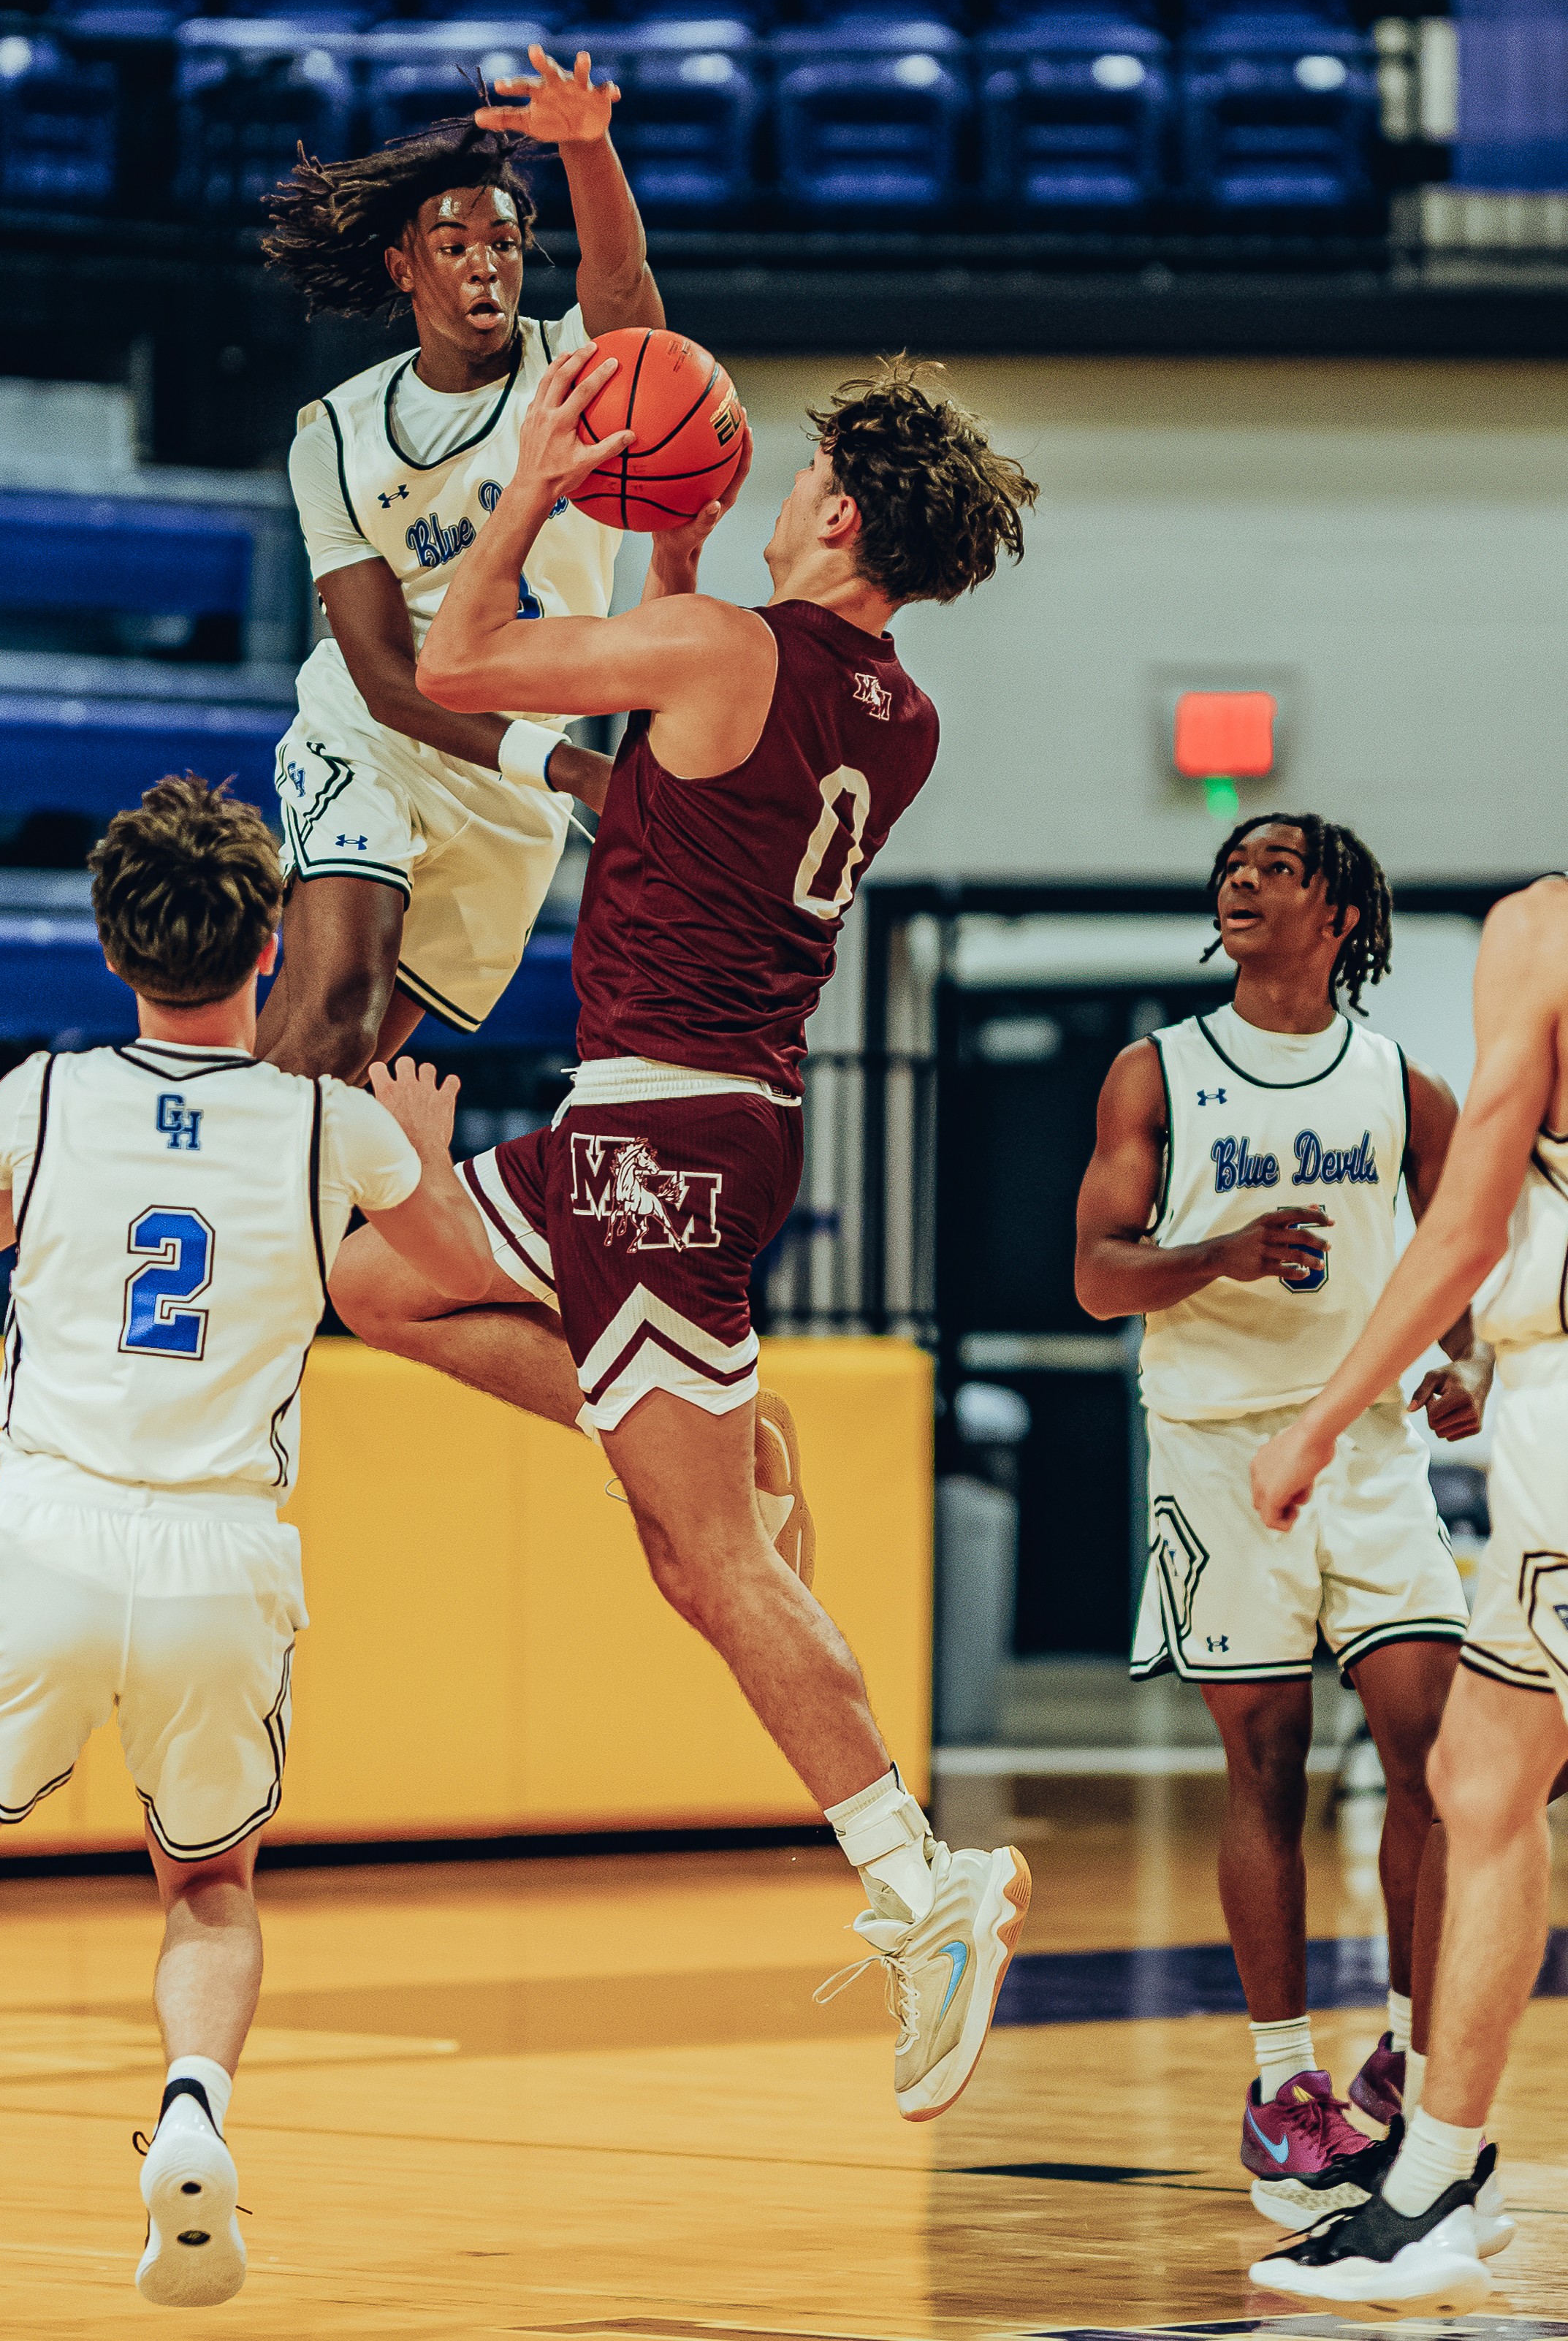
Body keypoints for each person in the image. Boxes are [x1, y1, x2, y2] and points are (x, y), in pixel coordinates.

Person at [335, 350, 1041, 2122]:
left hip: (653, 1137)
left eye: (802, 475)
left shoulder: (731, 652)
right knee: (372, 1270)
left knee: (710, 1563)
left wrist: (540, 491)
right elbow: (688, 757)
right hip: (691, 1124)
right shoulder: (893, 712)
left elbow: (458, 660)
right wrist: (673, 552)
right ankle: (672, 1426)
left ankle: (915, 1883)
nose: (784, 489)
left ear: (839, 509)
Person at [0, 776, 482, 2323]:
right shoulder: (330, 1122)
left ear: (115, 946)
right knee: (209, 1884)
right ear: (266, 946)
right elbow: (441, 1275)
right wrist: (419, 1150)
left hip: (46, 1528)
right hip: (217, 1552)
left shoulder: (41, 1095)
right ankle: (188, 2118)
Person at [1073, 815, 1489, 2231]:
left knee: (1432, 1753)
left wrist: (1459, 1369)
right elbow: (1093, 1274)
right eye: (1230, 868)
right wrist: (1218, 1256)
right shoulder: (1159, 1072)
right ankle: (1278, 2086)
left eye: (1275, 869)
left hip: (1365, 1451)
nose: (1239, 883)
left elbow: (1464, 1274)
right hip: (1209, 1454)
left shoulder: (1399, 1088)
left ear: (1341, 918)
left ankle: (1410, 2058)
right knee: (1265, 1765)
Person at [1247, 874, 1568, 2313]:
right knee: (1481, 1768)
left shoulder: (1538, 931)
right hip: (1535, 1398)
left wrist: (1318, 1421)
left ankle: (1437, 2176)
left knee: (1481, 1778)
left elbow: (1463, 1229)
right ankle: (1439, 2169)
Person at [255, 47, 663, 1079]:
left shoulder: (573, 373)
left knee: (330, 1076)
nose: (486, 263)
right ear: (404, 266)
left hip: (513, 782)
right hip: (383, 734)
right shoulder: (334, 435)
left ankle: (173, 1188)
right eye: (454, 242)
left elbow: (621, 287)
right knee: (334, 1011)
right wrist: (574, 767)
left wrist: (588, 146)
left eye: (506, 241)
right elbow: (391, 682)